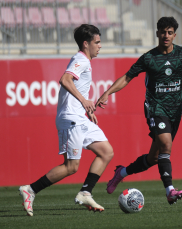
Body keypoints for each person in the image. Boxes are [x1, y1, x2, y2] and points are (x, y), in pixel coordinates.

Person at [95, 17, 182, 205]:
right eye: (162, 32)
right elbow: (126, 77)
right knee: (166, 145)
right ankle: (170, 191)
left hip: (175, 112)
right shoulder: (149, 58)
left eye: (169, 32)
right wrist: (107, 93)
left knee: (154, 158)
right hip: (155, 108)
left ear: (174, 35)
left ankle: (121, 172)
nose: (166, 35)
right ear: (157, 33)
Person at [18, 24, 114, 216]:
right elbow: (65, 79)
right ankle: (30, 190)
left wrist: (86, 109)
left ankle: (86, 192)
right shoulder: (81, 59)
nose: (100, 46)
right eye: (97, 42)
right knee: (71, 167)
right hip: (71, 119)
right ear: (86, 44)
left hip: (80, 118)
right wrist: (85, 101)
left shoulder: (84, 60)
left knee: (106, 151)